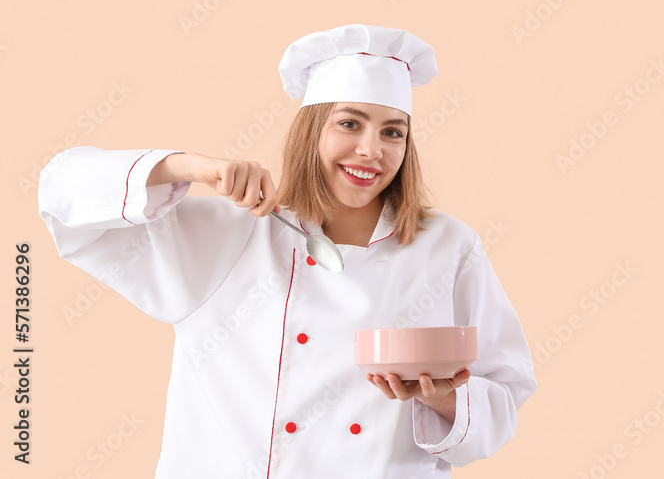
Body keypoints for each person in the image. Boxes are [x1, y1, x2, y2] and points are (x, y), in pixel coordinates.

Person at [37, 24, 537, 479]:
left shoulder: (447, 247)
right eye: (349, 123)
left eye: (392, 132)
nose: (371, 150)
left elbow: (502, 399)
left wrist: (446, 399)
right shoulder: (231, 235)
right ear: (309, 130)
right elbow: (60, 194)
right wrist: (191, 167)